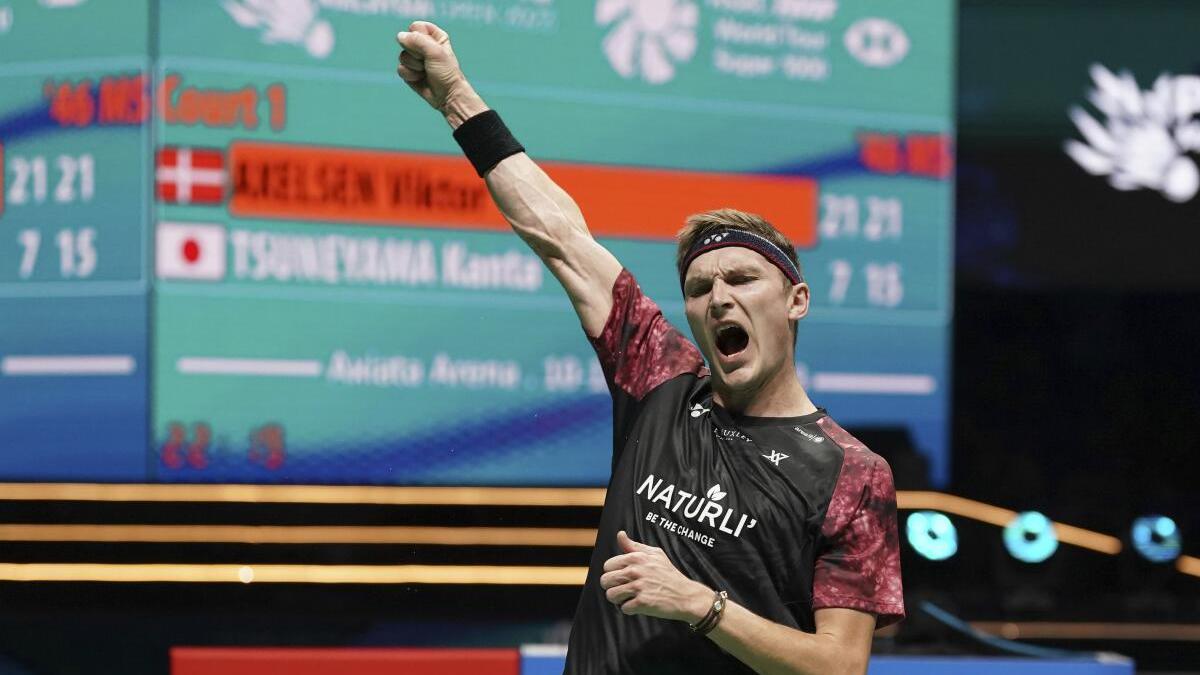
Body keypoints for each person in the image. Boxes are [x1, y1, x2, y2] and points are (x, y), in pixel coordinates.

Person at [395, 20, 904, 675]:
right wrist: (456, 98)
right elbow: (562, 238)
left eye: (742, 279)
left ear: (796, 300)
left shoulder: (852, 474)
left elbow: (840, 666)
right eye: (699, 288)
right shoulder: (659, 377)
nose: (718, 298)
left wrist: (700, 604)